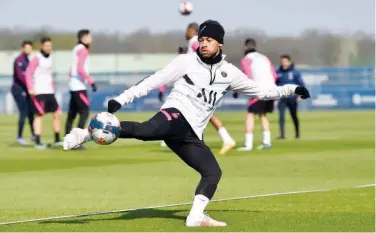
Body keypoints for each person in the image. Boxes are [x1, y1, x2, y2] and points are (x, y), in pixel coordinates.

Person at [64, 20, 310, 227]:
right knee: (149, 130)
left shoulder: (230, 73)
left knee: (213, 172)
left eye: (209, 40)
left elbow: (262, 91)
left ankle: (196, 216)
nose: (203, 43)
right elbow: (153, 81)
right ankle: (83, 134)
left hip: (192, 133)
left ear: (219, 43)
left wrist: (292, 89)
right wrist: (122, 98)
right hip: (175, 113)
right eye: (201, 39)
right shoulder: (186, 62)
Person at [158, 22, 236, 155]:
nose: (185, 33)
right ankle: (185, 140)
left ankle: (225, 139)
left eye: (187, 30)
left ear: (192, 30)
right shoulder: (194, 44)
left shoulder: (195, 41)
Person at [235, 38, 277, 151]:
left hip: (260, 89)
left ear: (245, 47)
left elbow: (247, 76)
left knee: (250, 114)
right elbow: (275, 75)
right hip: (272, 89)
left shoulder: (246, 59)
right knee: (263, 115)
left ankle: (248, 145)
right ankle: (267, 143)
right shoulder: (265, 58)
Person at [25, 36, 62, 149]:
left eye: (50, 46)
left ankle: (57, 139)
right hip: (39, 91)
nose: (48, 48)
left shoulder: (50, 58)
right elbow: (28, 73)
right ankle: (37, 141)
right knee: (39, 115)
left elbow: (49, 75)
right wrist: (30, 88)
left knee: (57, 114)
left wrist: (52, 88)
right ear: (42, 46)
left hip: (49, 92)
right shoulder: (37, 58)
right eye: (46, 46)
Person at [65, 29, 96, 149]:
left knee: (72, 113)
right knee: (84, 112)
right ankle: (76, 142)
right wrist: (91, 81)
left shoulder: (76, 49)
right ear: (84, 38)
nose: (91, 38)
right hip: (79, 86)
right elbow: (80, 68)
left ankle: (67, 139)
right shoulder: (83, 49)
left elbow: (71, 68)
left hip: (73, 85)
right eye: (89, 36)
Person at [11, 40, 35, 145]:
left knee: (31, 113)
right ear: (22, 48)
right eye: (27, 48)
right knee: (24, 111)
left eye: (30, 48)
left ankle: (34, 135)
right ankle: (19, 137)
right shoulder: (19, 60)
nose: (29, 50)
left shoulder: (27, 60)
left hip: (27, 90)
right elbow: (21, 77)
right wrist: (30, 86)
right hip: (19, 90)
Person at [276, 54, 305, 139]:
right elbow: (275, 84)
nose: (283, 63)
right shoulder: (278, 72)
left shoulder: (295, 72)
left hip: (292, 98)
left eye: (285, 61)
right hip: (282, 98)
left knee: (294, 116)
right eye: (282, 61)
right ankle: (282, 135)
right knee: (281, 117)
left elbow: (301, 84)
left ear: (289, 62)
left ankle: (297, 134)